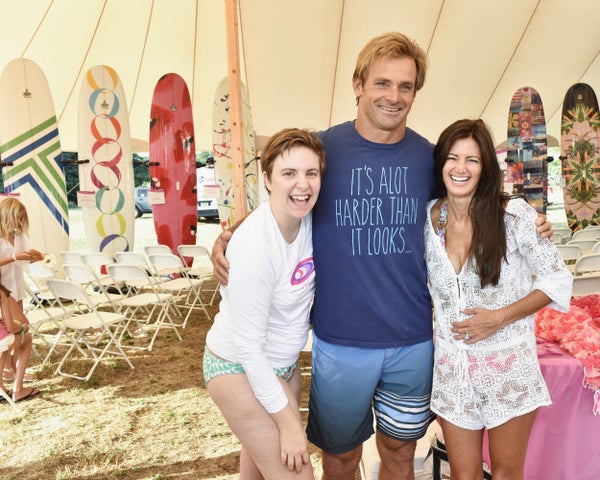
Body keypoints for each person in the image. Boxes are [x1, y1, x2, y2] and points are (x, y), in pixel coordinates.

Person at [212, 32, 554, 480]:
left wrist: (523, 215)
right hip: (339, 343)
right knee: (340, 459)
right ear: (358, 84)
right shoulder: (322, 151)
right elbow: (282, 200)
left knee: (399, 454)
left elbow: (471, 191)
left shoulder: (428, 158)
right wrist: (228, 237)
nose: (394, 97)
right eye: (382, 83)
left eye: (406, 86)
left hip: (413, 342)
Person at [425, 118, 572, 479]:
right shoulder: (427, 219)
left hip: (507, 368)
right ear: (441, 164)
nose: (461, 168)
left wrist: (499, 316)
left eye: (472, 160)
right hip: (452, 371)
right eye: (452, 158)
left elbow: (558, 279)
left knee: (506, 473)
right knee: (463, 475)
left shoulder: (515, 216)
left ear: (486, 167)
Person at [204, 128, 326, 479]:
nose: (302, 185)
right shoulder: (256, 248)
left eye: (311, 173)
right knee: (297, 474)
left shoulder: (310, 219)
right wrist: (289, 426)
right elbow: (248, 348)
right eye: (289, 173)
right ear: (268, 178)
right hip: (238, 368)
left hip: (284, 369)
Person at [0, 197, 43, 402]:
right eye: (18, 217)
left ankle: (12, 373)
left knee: (12, 336)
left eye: (22, 218)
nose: (19, 222)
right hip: (3, 293)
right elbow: (11, 259)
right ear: (7, 215)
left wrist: (34, 256)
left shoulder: (17, 236)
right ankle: (17, 386)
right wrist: (14, 257)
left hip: (16, 289)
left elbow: (24, 257)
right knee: (23, 333)